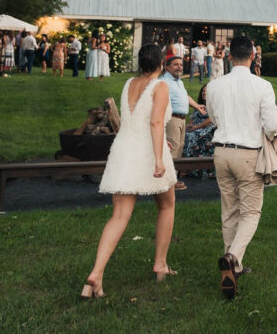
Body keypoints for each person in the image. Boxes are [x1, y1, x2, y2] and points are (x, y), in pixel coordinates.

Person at [81, 43, 177, 299]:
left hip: (124, 149)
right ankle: (160, 263)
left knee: (119, 215)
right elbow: (156, 121)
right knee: (167, 205)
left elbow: (137, 119)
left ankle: (97, 273)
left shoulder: (128, 84)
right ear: (160, 65)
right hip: (147, 150)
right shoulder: (161, 86)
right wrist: (158, 158)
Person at [206, 36, 277, 299]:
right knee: (251, 213)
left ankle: (232, 267)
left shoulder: (214, 86)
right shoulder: (263, 85)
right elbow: (272, 126)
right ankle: (233, 256)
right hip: (248, 154)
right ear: (252, 56)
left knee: (229, 210)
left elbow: (212, 117)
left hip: (221, 153)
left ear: (229, 56)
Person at [162, 55, 202, 192]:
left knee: (179, 149)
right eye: (175, 64)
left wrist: (197, 106)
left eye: (181, 64)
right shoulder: (163, 82)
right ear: (167, 67)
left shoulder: (178, 82)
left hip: (182, 120)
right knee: (172, 149)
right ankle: (167, 182)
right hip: (171, 119)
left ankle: (173, 180)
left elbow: (185, 97)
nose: (179, 66)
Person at [183, 84, 216, 178]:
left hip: (207, 129)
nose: (204, 93)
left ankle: (191, 168)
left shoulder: (214, 107)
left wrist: (196, 127)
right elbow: (191, 120)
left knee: (193, 136)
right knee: (185, 135)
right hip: (195, 128)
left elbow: (212, 120)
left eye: (206, 91)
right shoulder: (198, 107)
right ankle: (185, 167)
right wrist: (188, 126)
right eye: (203, 91)